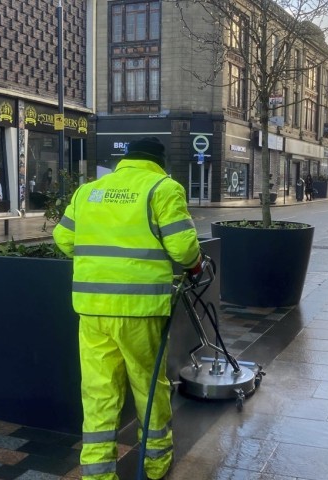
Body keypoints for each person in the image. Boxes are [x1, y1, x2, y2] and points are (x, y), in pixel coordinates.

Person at [53, 137, 201, 480]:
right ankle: (155, 464)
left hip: (92, 311)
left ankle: (96, 473)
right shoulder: (163, 188)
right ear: (159, 162)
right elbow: (183, 249)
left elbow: (63, 239)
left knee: (98, 392)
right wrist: (194, 264)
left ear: (125, 158)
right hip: (140, 309)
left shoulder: (90, 190)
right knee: (150, 388)